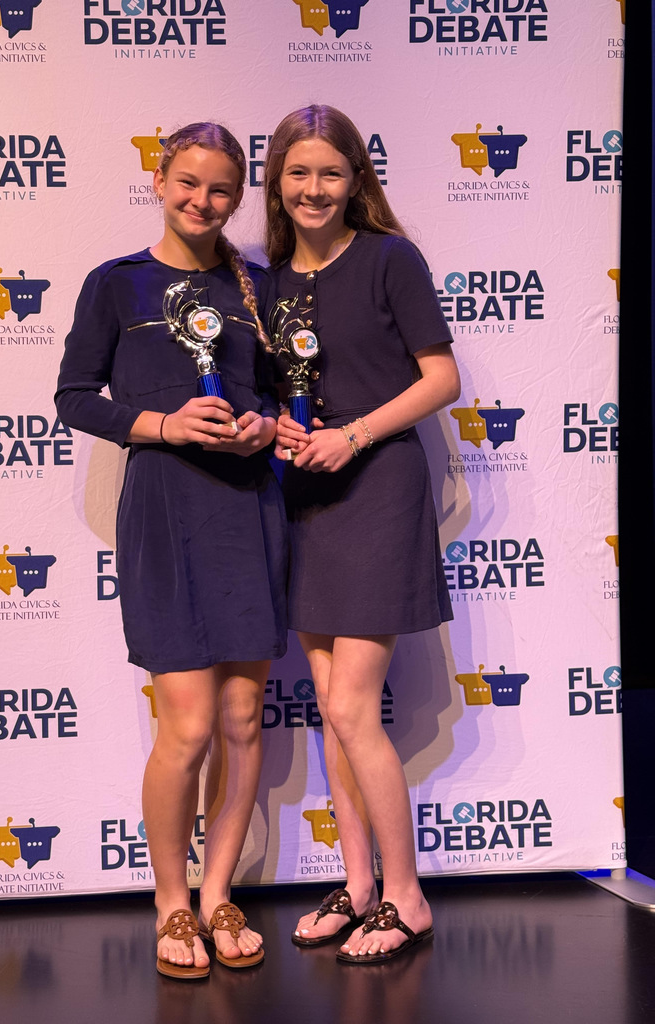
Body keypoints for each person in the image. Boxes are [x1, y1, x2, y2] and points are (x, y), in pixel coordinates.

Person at [56, 123, 287, 980]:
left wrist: (264, 425)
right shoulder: (116, 283)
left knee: (241, 721)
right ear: (159, 180)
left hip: (247, 510)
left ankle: (219, 891)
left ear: (238, 197)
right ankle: (171, 903)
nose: (202, 201)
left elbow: (285, 396)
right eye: (188, 182)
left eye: (221, 189)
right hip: (162, 512)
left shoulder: (258, 287)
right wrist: (162, 424)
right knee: (186, 727)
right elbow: (74, 396)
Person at [264, 105, 460, 964]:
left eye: (330, 173)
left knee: (351, 705)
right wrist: (285, 427)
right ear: (277, 180)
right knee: (330, 710)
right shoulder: (270, 282)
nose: (314, 189)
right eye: (298, 172)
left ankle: (407, 897)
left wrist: (354, 435)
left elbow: (442, 378)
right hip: (307, 494)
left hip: (377, 485)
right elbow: (288, 390)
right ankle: (359, 886)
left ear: (356, 181)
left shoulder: (389, 258)